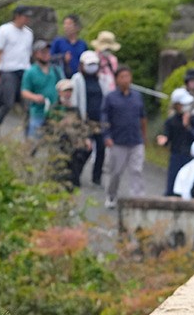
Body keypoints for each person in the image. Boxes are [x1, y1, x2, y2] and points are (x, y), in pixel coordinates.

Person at [100, 65, 147, 209]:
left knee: (136, 170)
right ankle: (111, 195)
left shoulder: (137, 96)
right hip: (117, 140)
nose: (126, 80)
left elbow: (143, 117)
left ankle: (137, 199)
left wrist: (144, 137)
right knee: (115, 172)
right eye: (122, 77)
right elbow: (104, 118)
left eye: (128, 76)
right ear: (116, 79)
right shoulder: (110, 97)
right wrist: (106, 136)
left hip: (135, 140)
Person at [0, 5, 33, 136]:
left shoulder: (29, 33)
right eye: (25, 16)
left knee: (27, 105)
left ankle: (27, 134)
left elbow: (28, 53)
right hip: (8, 70)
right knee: (8, 102)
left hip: (24, 70)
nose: (27, 19)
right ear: (17, 16)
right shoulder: (4, 30)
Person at [43, 79, 94, 190]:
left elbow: (81, 126)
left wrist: (86, 139)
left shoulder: (74, 109)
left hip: (74, 146)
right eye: (66, 91)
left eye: (70, 91)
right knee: (56, 176)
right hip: (58, 146)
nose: (68, 93)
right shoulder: (54, 109)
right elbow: (47, 128)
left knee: (73, 176)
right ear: (59, 92)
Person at [70, 50, 107, 186]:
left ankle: (96, 177)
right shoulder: (77, 79)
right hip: (84, 120)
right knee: (84, 149)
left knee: (101, 148)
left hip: (99, 121)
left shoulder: (101, 79)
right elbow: (75, 100)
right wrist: (78, 119)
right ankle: (76, 174)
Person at [156, 88, 194, 196]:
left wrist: (187, 126)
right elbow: (168, 138)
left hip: (190, 156)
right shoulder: (171, 121)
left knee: (189, 185)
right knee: (172, 184)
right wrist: (164, 140)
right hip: (176, 156)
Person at [20, 40, 62, 138]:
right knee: (33, 141)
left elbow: (63, 85)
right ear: (36, 54)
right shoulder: (30, 72)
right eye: (43, 52)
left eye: (47, 51)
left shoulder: (56, 70)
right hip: (38, 112)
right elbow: (24, 91)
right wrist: (35, 97)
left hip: (55, 113)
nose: (46, 54)